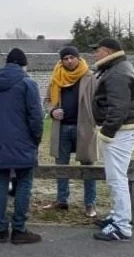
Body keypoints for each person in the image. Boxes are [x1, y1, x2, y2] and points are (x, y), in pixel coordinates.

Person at [0, 48, 43, 246]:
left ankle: (0, 230)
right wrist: (36, 139)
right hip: (23, 141)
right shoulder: (28, 83)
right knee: (24, 183)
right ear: (24, 65)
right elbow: (36, 116)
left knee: (0, 183)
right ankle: (19, 229)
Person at [90, 38, 134, 243]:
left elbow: (118, 107)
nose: (95, 54)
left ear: (108, 51)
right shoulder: (119, 67)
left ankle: (122, 226)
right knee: (116, 177)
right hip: (123, 130)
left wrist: (107, 132)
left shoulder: (117, 73)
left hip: (120, 132)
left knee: (117, 179)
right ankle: (116, 216)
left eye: (98, 51)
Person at [42, 45, 98, 219]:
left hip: (85, 128)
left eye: (71, 57)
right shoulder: (56, 77)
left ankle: (90, 203)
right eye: (65, 58)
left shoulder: (90, 76)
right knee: (61, 166)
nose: (68, 61)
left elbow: (98, 100)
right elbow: (47, 100)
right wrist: (52, 111)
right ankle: (62, 200)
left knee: (88, 167)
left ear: (78, 58)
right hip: (62, 127)